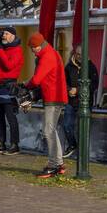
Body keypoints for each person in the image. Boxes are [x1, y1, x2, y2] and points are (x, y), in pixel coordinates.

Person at [25, 33, 69, 178]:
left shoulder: (47, 56)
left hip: (53, 97)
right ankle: (58, 163)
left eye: (32, 48)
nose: (32, 51)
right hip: (55, 96)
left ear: (38, 46)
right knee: (51, 131)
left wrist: (25, 85)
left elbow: (36, 80)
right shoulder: (51, 53)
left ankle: (53, 165)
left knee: (48, 131)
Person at [0, 27, 23, 156]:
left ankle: (15, 144)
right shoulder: (3, 49)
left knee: (10, 117)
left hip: (9, 87)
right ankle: (0, 143)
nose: (4, 35)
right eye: (3, 33)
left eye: (7, 34)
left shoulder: (17, 50)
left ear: (13, 36)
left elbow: (8, 65)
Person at [63, 45, 98, 158]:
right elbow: (63, 82)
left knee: (83, 128)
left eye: (82, 55)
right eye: (78, 54)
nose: (80, 57)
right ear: (74, 53)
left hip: (85, 103)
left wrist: (78, 90)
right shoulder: (69, 67)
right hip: (71, 101)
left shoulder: (91, 67)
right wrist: (69, 90)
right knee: (67, 125)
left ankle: (83, 152)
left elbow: (94, 85)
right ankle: (72, 145)